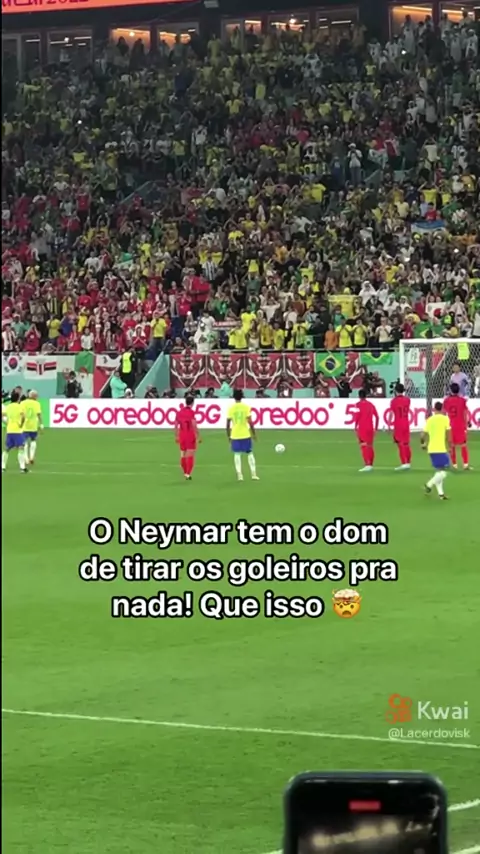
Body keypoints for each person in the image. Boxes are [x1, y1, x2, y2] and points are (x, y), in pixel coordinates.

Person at [226, 389, 259, 482]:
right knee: (250, 453)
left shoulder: (231, 408)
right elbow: (250, 422)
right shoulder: (246, 407)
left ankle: (239, 475)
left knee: (237, 454)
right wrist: (254, 434)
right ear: (242, 396)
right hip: (245, 434)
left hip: (235, 434)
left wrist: (228, 435)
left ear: (234, 397)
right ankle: (253, 474)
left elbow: (228, 424)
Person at [421, 402, 451, 500]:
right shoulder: (445, 419)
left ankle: (441, 494)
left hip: (431, 449)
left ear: (434, 409)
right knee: (444, 472)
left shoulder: (430, 420)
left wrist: (423, 444)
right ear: (442, 409)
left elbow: (422, 435)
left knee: (439, 472)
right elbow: (448, 434)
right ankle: (428, 485)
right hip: (440, 449)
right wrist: (450, 446)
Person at [443, 383, 471, 470]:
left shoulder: (446, 401)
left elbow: (444, 413)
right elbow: (465, 412)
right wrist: (468, 421)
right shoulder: (462, 400)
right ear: (458, 390)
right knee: (463, 444)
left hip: (451, 425)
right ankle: (465, 464)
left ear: (450, 390)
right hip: (461, 425)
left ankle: (454, 465)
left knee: (452, 445)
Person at [174, 393, 200, 481]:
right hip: (189, 435)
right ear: (192, 403)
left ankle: (185, 472)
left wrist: (176, 436)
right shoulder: (191, 412)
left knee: (182, 454)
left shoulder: (179, 412)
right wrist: (198, 435)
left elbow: (176, 424)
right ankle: (188, 473)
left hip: (182, 435)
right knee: (190, 454)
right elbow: (194, 424)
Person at [2, 390, 27, 473]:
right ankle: (22, 468)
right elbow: (23, 417)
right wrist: (21, 424)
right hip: (17, 431)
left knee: (7, 449)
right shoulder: (19, 406)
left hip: (9, 430)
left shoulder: (8, 407)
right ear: (18, 399)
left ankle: (3, 467)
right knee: (21, 448)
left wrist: (6, 422)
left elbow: (2, 415)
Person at [355, 389, 379, 473]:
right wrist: (376, 428)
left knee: (363, 446)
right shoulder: (371, 405)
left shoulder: (358, 405)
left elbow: (357, 416)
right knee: (370, 446)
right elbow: (377, 417)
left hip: (363, 428)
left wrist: (355, 427)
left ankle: (367, 464)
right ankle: (371, 464)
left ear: (359, 396)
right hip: (370, 427)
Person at [390, 383, 412, 471]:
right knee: (406, 444)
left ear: (396, 391)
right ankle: (408, 462)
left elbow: (391, 413)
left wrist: (389, 425)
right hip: (406, 423)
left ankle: (404, 463)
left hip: (398, 424)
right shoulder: (407, 400)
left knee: (400, 444)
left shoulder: (394, 401)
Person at [20, 390, 43, 466]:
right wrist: (41, 424)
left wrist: (20, 424)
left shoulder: (23, 403)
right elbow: (39, 414)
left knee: (24, 442)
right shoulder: (37, 404)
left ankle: (26, 459)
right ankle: (32, 457)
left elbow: (21, 414)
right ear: (34, 396)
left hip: (24, 426)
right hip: (33, 426)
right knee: (33, 440)